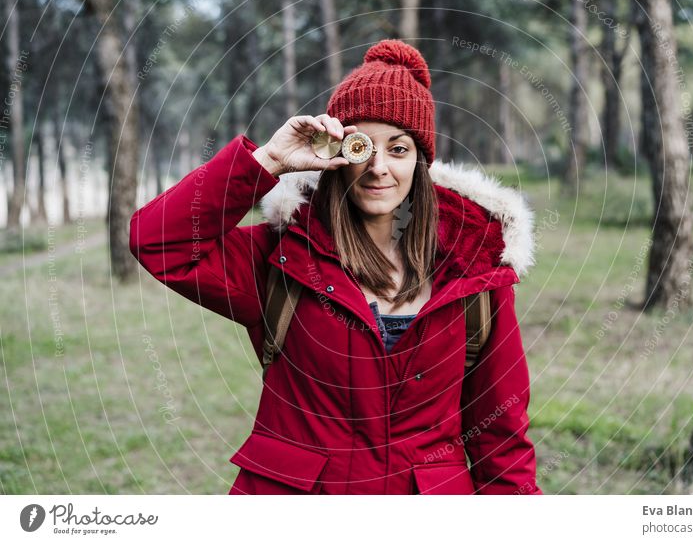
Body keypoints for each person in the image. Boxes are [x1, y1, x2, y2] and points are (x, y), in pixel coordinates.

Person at [129, 39, 541, 495]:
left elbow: (499, 434)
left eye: (399, 149)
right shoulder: (281, 256)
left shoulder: (475, 272)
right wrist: (268, 160)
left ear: (421, 161)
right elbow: (156, 242)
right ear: (336, 152)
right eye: (362, 147)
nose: (378, 167)